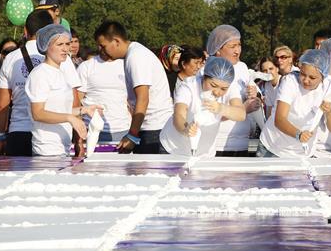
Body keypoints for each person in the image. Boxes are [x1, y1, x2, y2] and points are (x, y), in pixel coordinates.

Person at [0, 10, 81, 156]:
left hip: (19, 131)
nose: (65, 47)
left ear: (25, 30)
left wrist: (0, 136)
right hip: (51, 134)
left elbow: (2, 103)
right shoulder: (62, 57)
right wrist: (78, 139)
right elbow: (73, 100)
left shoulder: (11, 58)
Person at [94, 20, 173, 154]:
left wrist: (132, 135)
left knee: (149, 174)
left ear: (116, 41)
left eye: (103, 46)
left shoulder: (136, 57)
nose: (101, 50)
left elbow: (143, 98)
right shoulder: (133, 54)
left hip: (155, 129)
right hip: (151, 128)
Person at [25, 25, 98, 156]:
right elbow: (38, 113)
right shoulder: (40, 74)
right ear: (46, 46)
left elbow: (59, 109)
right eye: (59, 44)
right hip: (46, 150)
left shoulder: (61, 73)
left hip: (62, 148)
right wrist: (70, 118)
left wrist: (83, 110)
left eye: (67, 44)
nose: (65, 49)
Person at [258, 49, 331, 158]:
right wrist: (299, 134)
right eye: (303, 74)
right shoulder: (290, 81)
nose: (305, 80)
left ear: (323, 77)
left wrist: (329, 112)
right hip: (272, 148)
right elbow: (280, 119)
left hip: (302, 153)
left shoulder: (328, 89)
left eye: (312, 78)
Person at [159, 56, 245, 157]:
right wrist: (186, 129)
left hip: (205, 153)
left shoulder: (230, 87)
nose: (217, 92)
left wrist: (221, 108)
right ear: (204, 78)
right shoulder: (189, 86)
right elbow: (179, 114)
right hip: (172, 148)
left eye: (223, 89)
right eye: (213, 85)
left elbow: (241, 114)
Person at [198, 25, 261, 157]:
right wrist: (244, 109)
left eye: (239, 45)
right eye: (232, 46)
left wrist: (254, 96)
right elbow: (204, 113)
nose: (237, 51)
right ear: (218, 49)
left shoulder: (242, 67)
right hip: (217, 144)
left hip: (242, 143)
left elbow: (256, 99)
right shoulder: (206, 71)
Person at [77, 48, 131, 144]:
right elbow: (77, 101)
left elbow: (132, 100)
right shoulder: (86, 66)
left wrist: (133, 132)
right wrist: (78, 135)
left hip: (123, 130)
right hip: (91, 130)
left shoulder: (127, 65)